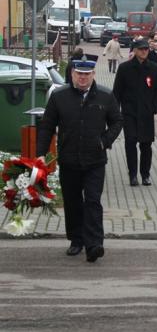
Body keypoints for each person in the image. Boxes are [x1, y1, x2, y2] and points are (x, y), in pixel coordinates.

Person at [37, 54, 123, 262]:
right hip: (69, 158)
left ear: (94, 74)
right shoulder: (60, 97)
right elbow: (47, 125)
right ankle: (76, 240)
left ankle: (94, 244)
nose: (83, 78)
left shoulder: (105, 95)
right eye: (79, 74)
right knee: (73, 201)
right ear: (72, 74)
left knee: (93, 200)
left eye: (87, 74)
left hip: (95, 159)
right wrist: (40, 154)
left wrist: (105, 141)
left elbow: (117, 121)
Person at [113, 39, 157, 187]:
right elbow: (117, 92)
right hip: (129, 113)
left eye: (146, 49)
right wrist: (115, 113)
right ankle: (133, 175)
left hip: (146, 114)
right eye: (141, 49)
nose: (144, 51)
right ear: (134, 50)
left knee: (146, 145)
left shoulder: (154, 68)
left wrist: (155, 107)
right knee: (130, 142)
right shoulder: (124, 68)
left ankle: (145, 174)